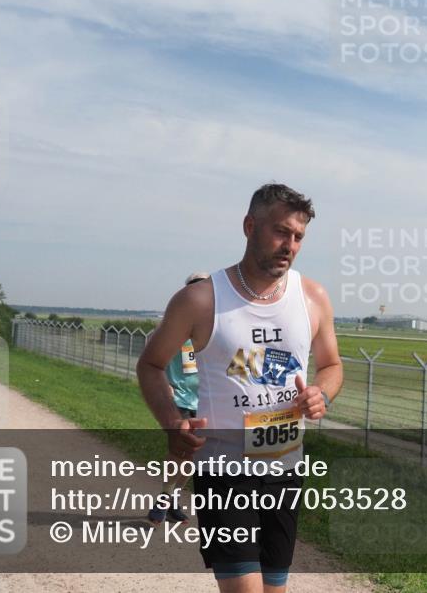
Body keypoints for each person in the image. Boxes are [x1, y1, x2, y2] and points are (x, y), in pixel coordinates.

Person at [137, 183, 342, 593]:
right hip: (223, 471)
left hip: (285, 470)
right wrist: (171, 423)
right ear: (250, 226)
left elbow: (332, 365)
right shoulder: (200, 299)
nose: (290, 245)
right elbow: (151, 364)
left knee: (274, 589)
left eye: (299, 236)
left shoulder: (313, 296)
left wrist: (321, 393)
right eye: (281, 231)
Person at [147, 271, 209, 525]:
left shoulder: (212, 329)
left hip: (205, 402)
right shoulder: (172, 328)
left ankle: (173, 498)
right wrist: (165, 386)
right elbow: (150, 361)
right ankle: (163, 497)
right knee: (178, 452)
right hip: (180, 401)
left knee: (193, 458)